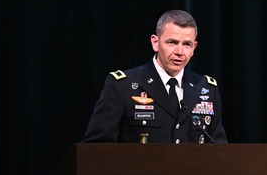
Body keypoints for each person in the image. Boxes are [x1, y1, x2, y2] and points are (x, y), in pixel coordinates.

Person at [82, 9, 228, 144]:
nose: (179, 51)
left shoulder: (206, 88)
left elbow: (219, 150)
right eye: (172, 42)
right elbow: (95, 149)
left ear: (194, 48)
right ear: (155, 43)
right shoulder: (123, 85)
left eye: (187, 44)